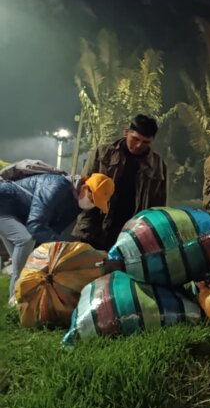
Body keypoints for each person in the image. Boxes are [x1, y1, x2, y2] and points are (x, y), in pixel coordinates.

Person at [0, 172, 113, 303]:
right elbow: (35, 226)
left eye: (96, 203)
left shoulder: (76, 204)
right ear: (84, 187)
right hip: (4, 204)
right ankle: (16, 299)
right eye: (93, 198)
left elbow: (54, 231)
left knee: (25, 260)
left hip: (19, 215)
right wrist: (64, 247)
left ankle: (21, 299)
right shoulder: (55, 186)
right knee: (25, 240)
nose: (92, 204)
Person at [75, 115, 167, 250]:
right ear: (126, 132)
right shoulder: (103, 153)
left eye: (145, 142)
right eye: (135, 139)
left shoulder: (158, 165)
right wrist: (86, 226)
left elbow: (159, 204)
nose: (138, 145)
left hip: (131, 234)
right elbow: (83, 188)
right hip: (95, 228)